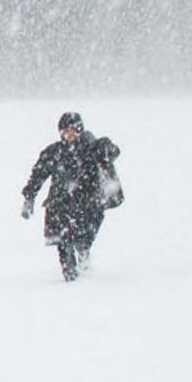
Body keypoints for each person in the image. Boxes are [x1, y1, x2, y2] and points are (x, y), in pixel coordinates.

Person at [22, 111, 124, 281]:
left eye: (73, 130)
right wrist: (29, 197)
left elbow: (113, 153)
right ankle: (69, 272)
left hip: (87, 201)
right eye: (65, 131)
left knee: (85, 233)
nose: (69, 135)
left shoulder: (91, 148)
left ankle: (83, 251)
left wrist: (106, 147)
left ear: (80, 130)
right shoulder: (54, 152)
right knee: (62, 240)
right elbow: (38, 175)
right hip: (59, 202)